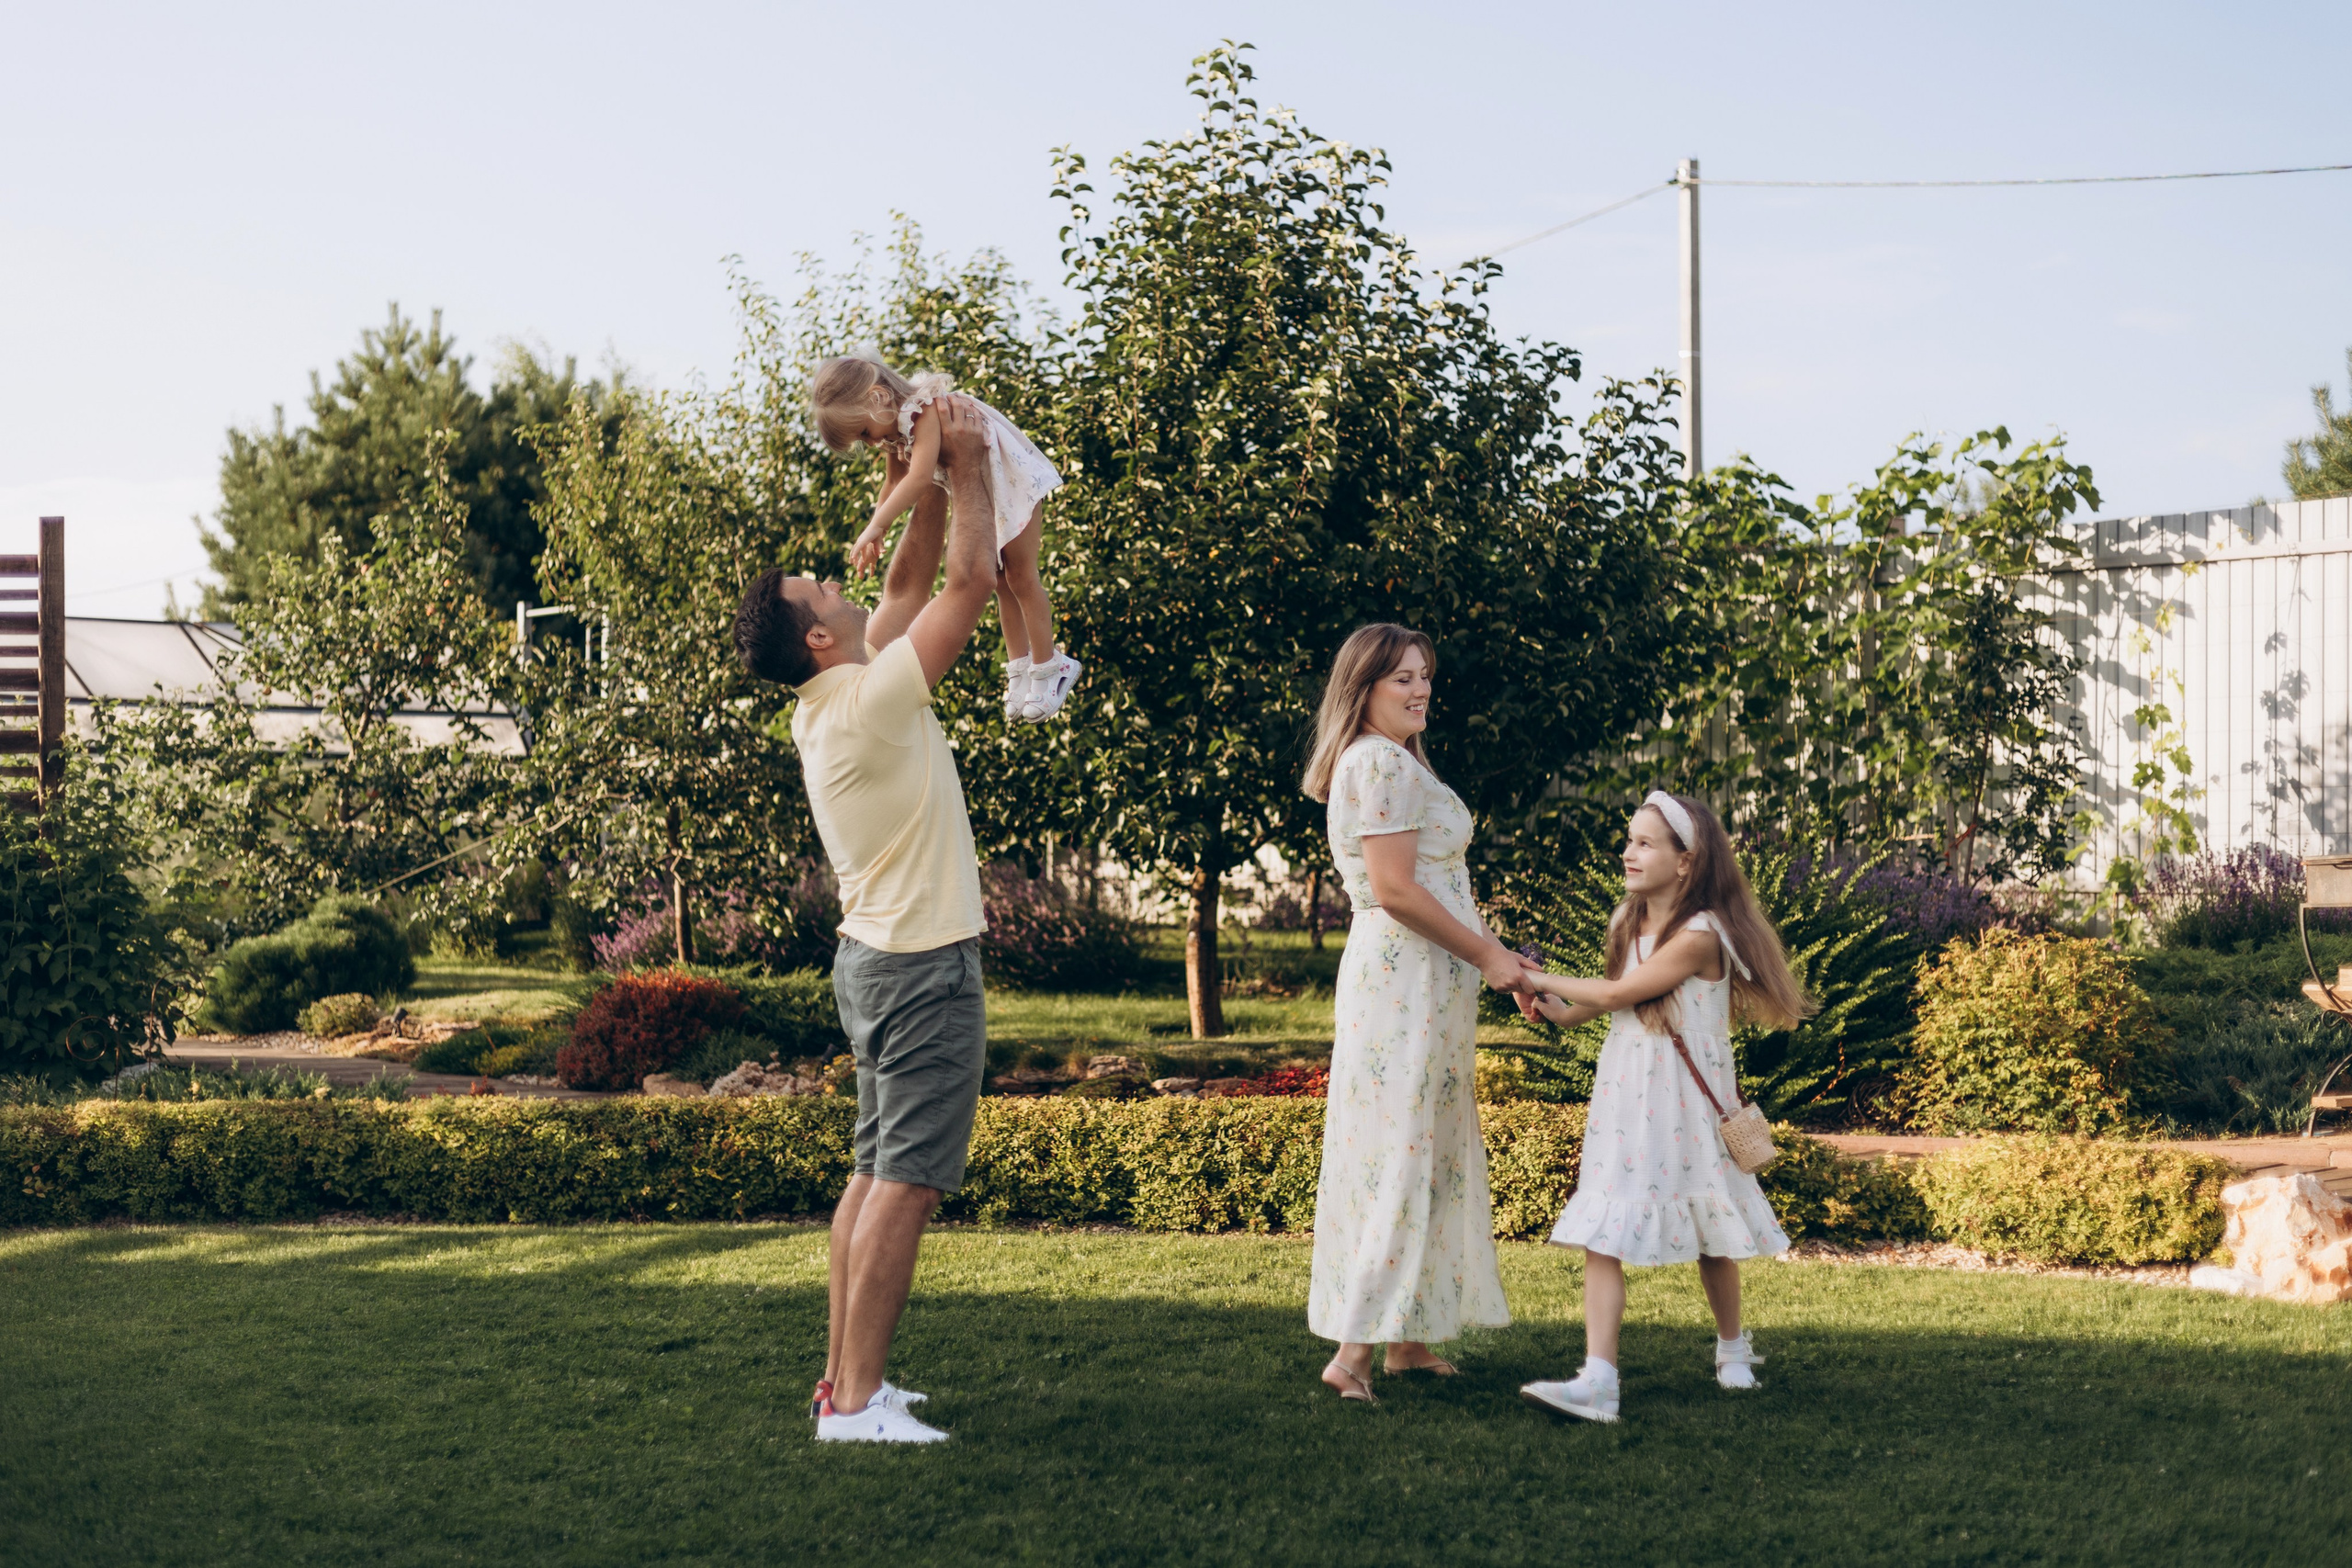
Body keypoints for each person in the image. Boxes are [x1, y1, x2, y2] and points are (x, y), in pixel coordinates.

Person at [733, 393, 1001, 1444]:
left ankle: (843, 1381)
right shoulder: (870, 700)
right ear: (815, 632)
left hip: (876, 965)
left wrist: (921, 480)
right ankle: (854, 1405)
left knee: (867, 1178)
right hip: (922, 969)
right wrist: (971, 463)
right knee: (902, 1187)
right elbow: (970, 584)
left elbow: (908, 578)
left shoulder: (836, 697)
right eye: (819, 587)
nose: (837, 581)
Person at [1514, 791, 1813, 1425]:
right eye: (1630, 839)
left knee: (1710, 1234)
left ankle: (1733, 1346)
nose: (1628, 851)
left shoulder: (1704, 934)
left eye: (1646, 842)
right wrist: (1547, 1006)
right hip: (1627, 1095)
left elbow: (1624, 988)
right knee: (1603, 1229)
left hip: (1684, 1104)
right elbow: (1603, 1005)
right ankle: (1598, 1378)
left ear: (1686, 861)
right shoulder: (1627, 921)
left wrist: (1539, 976)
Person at [1298, 623, 1524, 1404]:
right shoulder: (1383, 765)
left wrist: (1504, 959)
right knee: (1402, 1146)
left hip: (1421, 978)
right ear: (1362, 689)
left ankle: (1409, 1338)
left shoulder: (1387, 762)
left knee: (1422, 1142)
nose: (1421, 688)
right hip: (1407, 983)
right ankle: (1354, 1352)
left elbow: (1438, 885)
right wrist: (1488, 955)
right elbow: (1397, 890)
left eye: (1426, 675)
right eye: (1402, 678)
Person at [808, 352, 1081, 723]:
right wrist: (873, 528)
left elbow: (919, 479)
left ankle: (1050, 665)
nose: (870, 443)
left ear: (877, 398)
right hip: (989, 492)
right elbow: (894, 482)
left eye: (863, 433)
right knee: (1002, 581)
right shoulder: (896, 431)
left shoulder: (925, 412)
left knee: (1020, 575)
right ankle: (1019, 667)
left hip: (1013, 485)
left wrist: (879, 526)